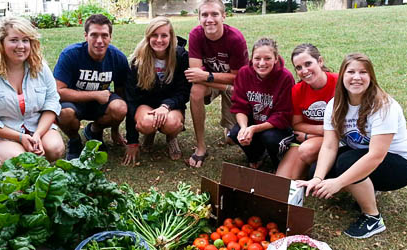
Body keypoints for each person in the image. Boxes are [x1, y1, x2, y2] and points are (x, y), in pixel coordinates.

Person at [301, 53, 407, 239]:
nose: (356, 77)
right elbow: (329, 146)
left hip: (402, 165)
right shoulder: (335, 105)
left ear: (371, 77)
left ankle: (373, 218)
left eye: (363, 72)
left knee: (347, 163)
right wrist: (317, 178)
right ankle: (367, 187)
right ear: (342, 77)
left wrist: (339, 183)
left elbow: (376, 156)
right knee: (318, 170)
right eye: (351, 72)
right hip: (363, 153)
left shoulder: (383, 106)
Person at [0, 16, 66, 162]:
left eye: (25, 40)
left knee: (55, 148)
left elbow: (52, 103)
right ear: (1, 43)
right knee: (20, 159)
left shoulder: (40, 67)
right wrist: (19, 137)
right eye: (14, 40)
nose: (21, 46)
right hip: (2, 134)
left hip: (37, 127)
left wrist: (38, 134)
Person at [54, 14, 131, 159]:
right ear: (86, 36)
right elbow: (58, 92)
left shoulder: (118, 58)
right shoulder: (70, 54)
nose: (99, 41)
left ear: (110, 37)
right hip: (73, 102)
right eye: (94, 35)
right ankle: (74, 140)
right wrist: (95, 94)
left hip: (101, 102)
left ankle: (94, 131)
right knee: (64, 114)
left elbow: (122, 93)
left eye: (104, 35)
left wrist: (115, 130)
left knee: (120, 107)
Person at [185, 0, 248, 167]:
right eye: (204, 15)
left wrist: (209, 76)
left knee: (231, 140)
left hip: (229, 84)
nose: (209, 19)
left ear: (224, 16)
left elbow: (238, 78)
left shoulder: (235, 38)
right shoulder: (195, 35)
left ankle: (228, 127)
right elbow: (195, 75)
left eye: (214, 14)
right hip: (213, 82)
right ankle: (200, 147)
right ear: (199, 18)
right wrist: (211, 79)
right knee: (196, 91)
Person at [122, 17, 190, 164]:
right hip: (146, 105)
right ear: (148, 36)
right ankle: (149, 133)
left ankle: (171, 137)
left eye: (164, 35)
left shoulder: (181, 56)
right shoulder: (137, 60)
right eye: (154, 35)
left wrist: (166, 106)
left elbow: (183, 92)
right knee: (146, 123)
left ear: (171, 37)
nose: (159, 40)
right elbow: (131, 99)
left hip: (171, 106)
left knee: (172, 124)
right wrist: (132, 141)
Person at [226, 38, 294, 170]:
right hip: (255, 120)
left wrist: (254, 129)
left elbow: (283, 115)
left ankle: (279, 159)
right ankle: (257, 156)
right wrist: (245, 128)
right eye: (257, 58)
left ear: (276, 59)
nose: (262, 63)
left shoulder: (285, 78)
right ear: (251, 59)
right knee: (236, 132)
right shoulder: (244, 73)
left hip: (278, 127)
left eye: (267, 58)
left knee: (269, 137)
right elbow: (240, 106)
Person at [278, 44, 336, 179]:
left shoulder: (339, 83)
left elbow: (342, 126)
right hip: (311, 137)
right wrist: (319, 131)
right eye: (299, 67)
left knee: (306, 150)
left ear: (320, 61)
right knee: (281, 180)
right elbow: (297, 124)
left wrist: (309, 135)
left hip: (335, 139)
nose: (304, 71)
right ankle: (311, 170)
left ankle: (321, 170)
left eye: (308, 64)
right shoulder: (297, 90)